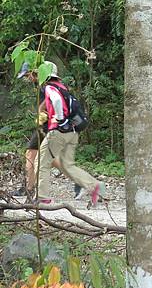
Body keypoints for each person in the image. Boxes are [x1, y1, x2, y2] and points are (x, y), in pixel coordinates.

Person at [17, 61, 104, 205]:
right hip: (73, 131)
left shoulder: (49, 86)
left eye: (29, 75)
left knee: (41, 162)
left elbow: (56, 100)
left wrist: (59, 118)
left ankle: (42, 197)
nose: (29, 78)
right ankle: (95, 186)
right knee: (67, 165)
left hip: (58, 130)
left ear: (38, 72)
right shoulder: (61, 85)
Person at [12, 64, 83, 200]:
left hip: (48, 123)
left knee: (32, 154)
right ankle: (30, 188)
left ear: (35, 72)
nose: (27, 79)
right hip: (48, 122)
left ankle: (29, 189)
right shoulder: (42, 82)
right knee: (45, 157)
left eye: (28, 75)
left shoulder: (46, 82)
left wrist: (41, 110)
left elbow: (52, 98)